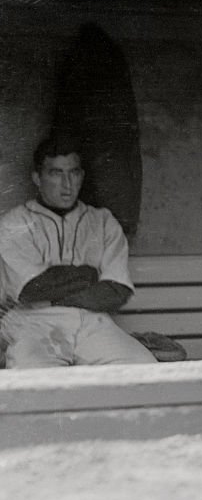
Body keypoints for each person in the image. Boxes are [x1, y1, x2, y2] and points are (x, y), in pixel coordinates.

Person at [0, 136, 156, 368]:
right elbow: (30, 288)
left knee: (145, 368)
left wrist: (54, 292)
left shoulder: (102, 220)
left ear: (81, 176)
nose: (67, 184)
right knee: (34, 381)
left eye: (73, 173)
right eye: (56, 173)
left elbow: (116, 290)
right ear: (37, 177)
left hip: (92, 321)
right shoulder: (15, 222)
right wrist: (89, 274)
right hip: (34, 322)